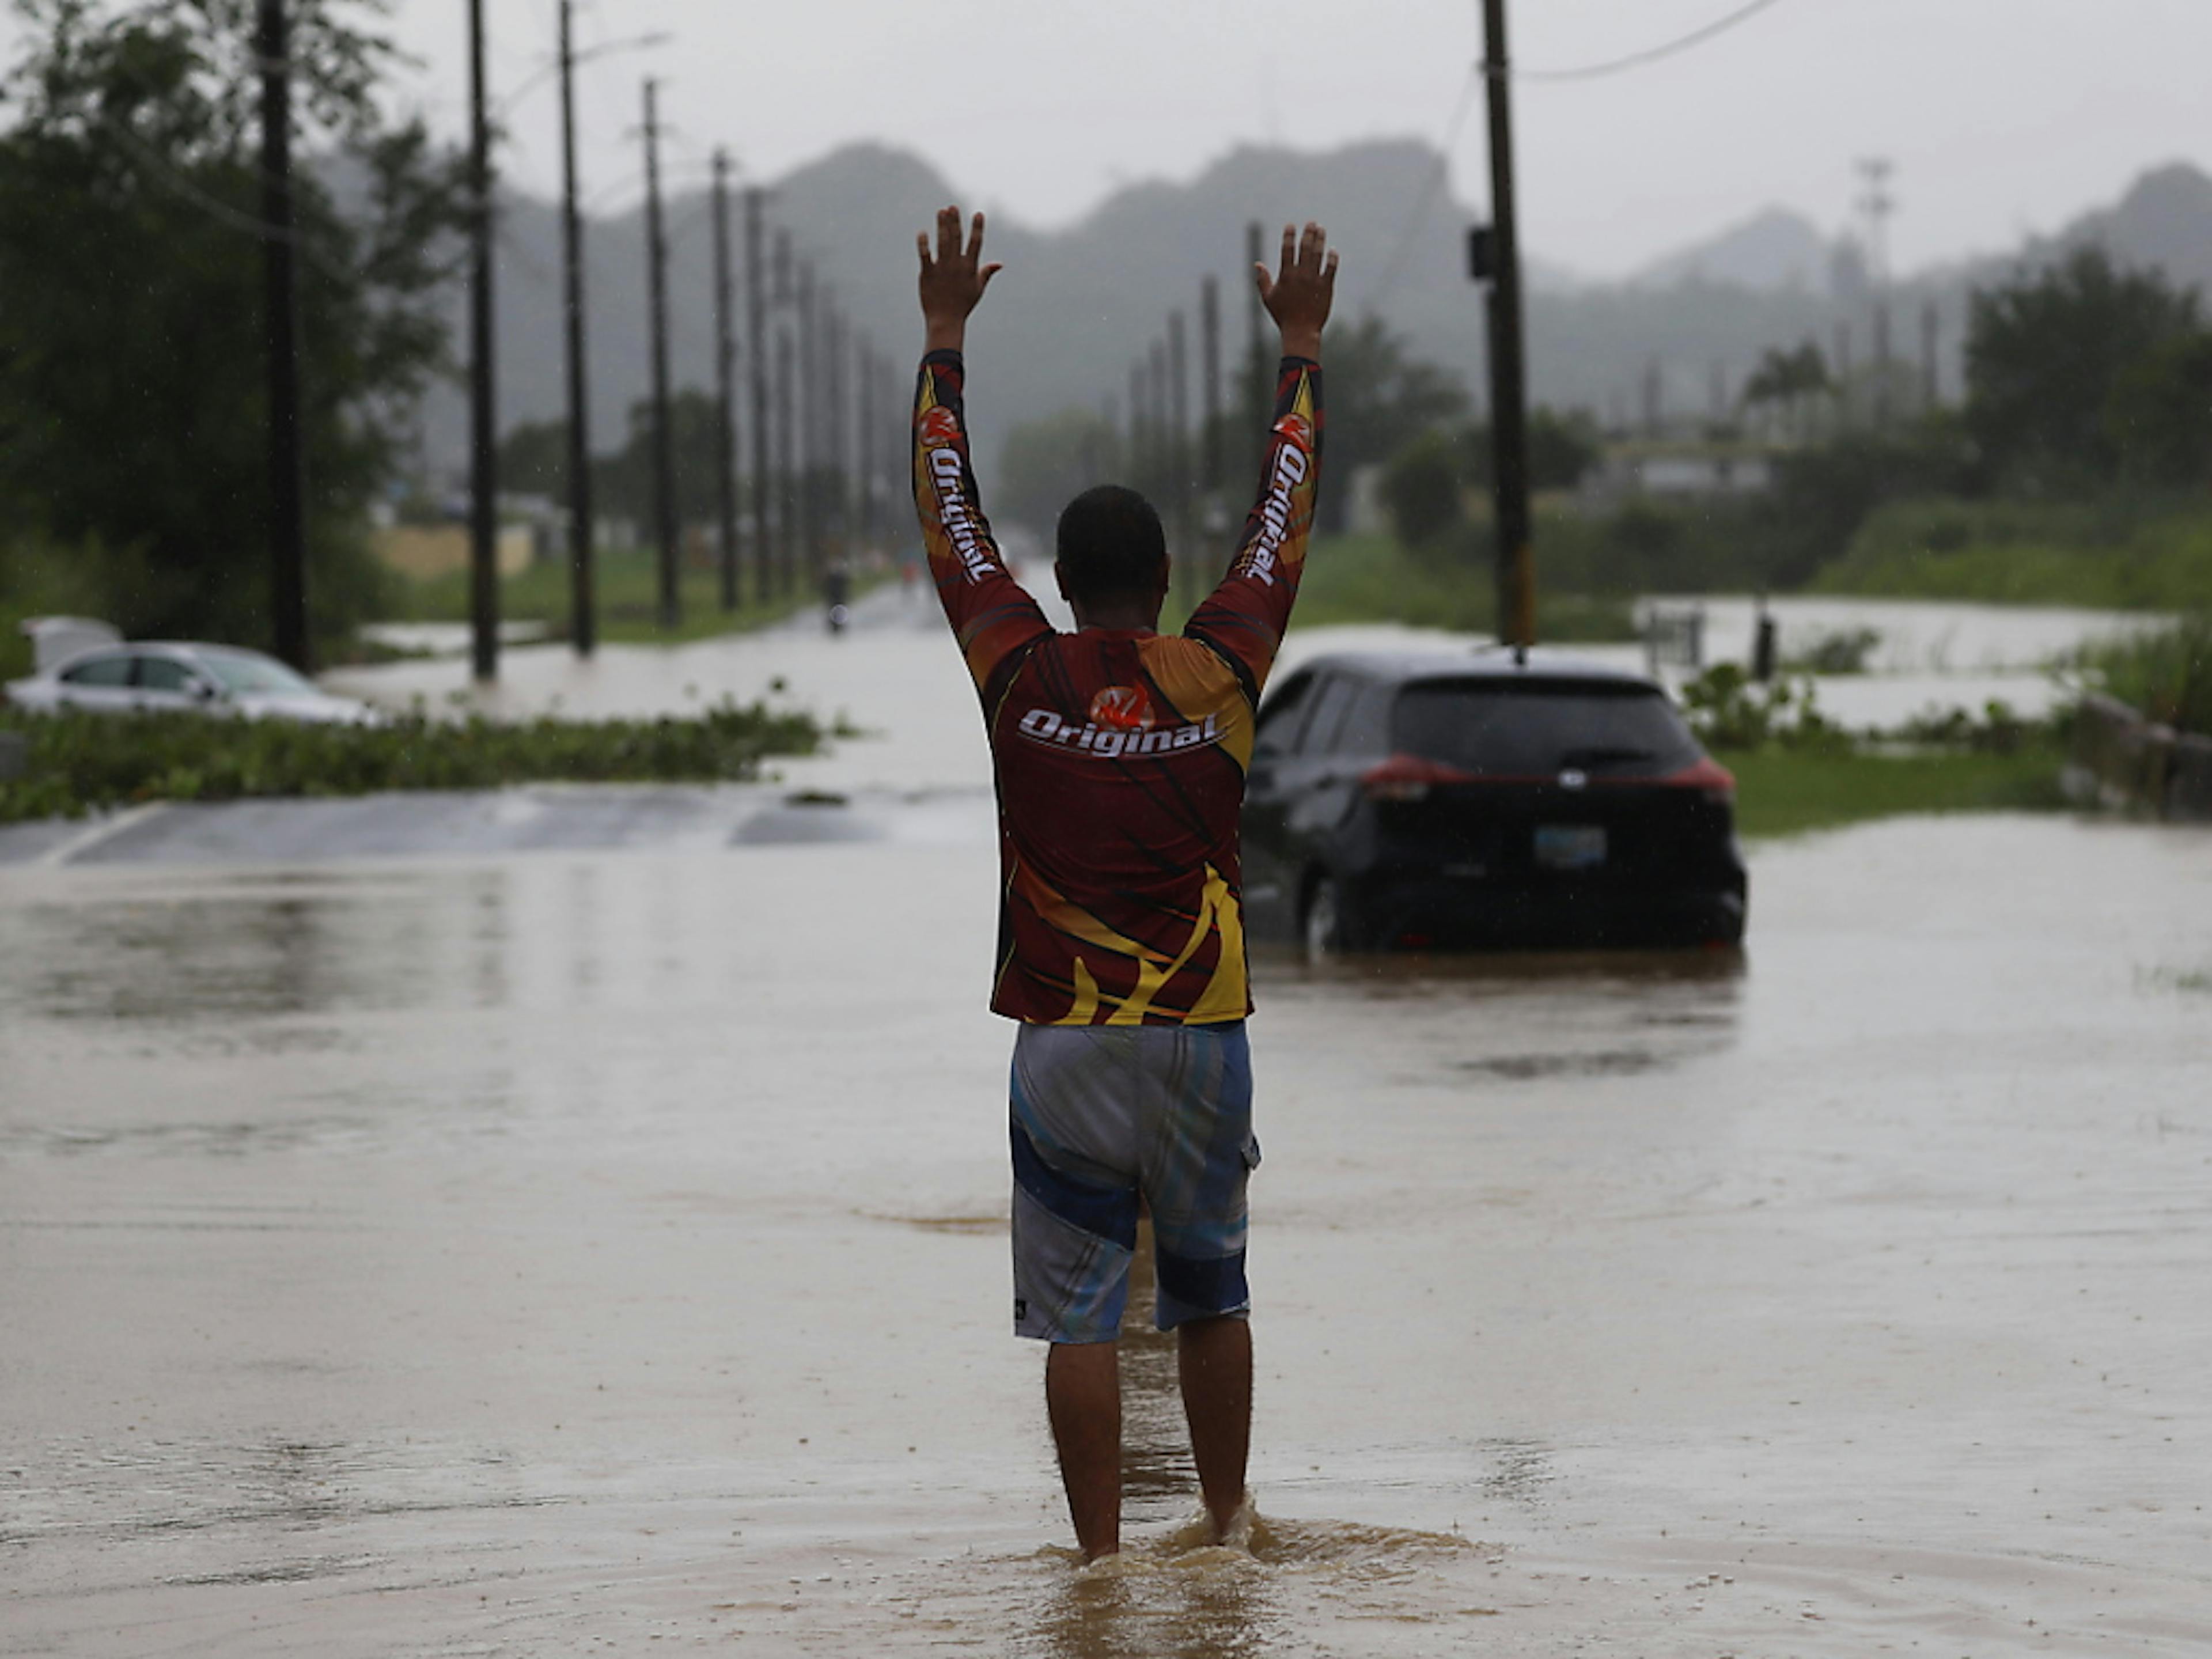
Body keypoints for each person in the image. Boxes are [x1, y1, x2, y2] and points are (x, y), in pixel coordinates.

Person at [910, 204, 1336, 1562]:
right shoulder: (1220, 669)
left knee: (1080, 1320)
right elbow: (1286, 518)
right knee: (1211, 1295)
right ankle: (1225, 1531)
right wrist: (1300, 353)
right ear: (1162, 583)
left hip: (1065, 1040)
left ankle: (1096, 1577)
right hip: (1204, 1035)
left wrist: (943, 338)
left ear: (1055, 582)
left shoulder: (1014, 667)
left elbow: (945, 512)